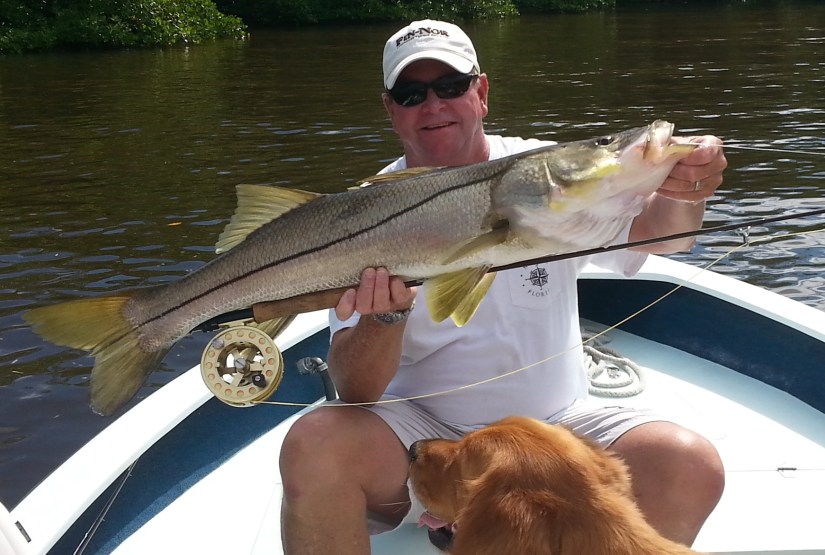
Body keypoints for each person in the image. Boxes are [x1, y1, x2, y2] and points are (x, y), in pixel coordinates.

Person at [280, 19, 728, 554]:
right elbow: (356, 393)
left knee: (689, 464)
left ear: (481, 92)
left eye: (450, 87)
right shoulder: (358, 214)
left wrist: (689, 186)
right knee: (315, 445)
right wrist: (385, 316)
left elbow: (663, 234)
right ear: (390, 109)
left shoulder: (545, 174)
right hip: (420, 443)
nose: (434, 105)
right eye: (411, 93)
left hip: (556, 427)